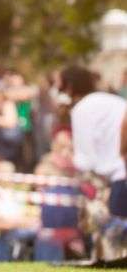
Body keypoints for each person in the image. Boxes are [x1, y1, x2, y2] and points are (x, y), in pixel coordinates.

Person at [62, 65, 127, 218]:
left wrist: (68, 158)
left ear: (70, 86)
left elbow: (85, 161)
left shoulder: (83, 109)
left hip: (120, 182)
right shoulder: (113, 101)